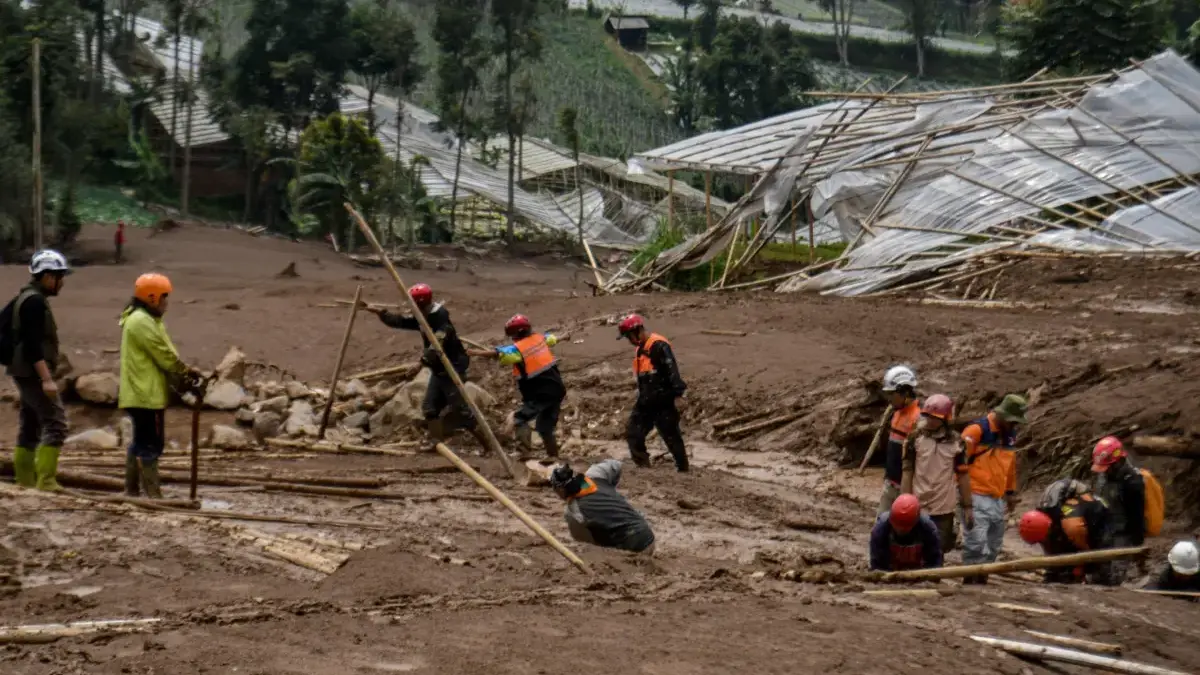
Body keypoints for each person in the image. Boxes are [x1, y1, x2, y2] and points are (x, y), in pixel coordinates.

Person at [363, 284, 486, 449]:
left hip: (452, 369)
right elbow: (401, 321)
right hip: (439, 370)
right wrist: (380, 312)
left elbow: (436, 346)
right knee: (430, 407)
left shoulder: (440, 321)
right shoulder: (423, 317)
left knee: (461, 411)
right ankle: (436, 443)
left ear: (420, 303)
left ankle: (488, 443)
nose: (411, 307)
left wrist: (420, 363)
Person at [119, 273, 199, 499]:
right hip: (145, 394)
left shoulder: (143, 319)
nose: (167, 303)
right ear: (152, 298)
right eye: (164, 297)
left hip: (139, 393)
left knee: (140, 442)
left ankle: (132, 491)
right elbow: (163, 354)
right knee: (151, 445)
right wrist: (185, 372)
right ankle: (153, 496)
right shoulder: (141, 321)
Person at [1, 250, 71, 491]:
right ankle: (46, 481)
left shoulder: (23, 298)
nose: (61, 282)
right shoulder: (35, 302)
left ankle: (25, 480)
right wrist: (47, 379)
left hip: (21, 370)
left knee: (30, 423)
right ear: (47, 277)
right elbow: (33, 345)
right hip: (32, 372)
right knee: (56, 423)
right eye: (60, 277)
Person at [468, 314, 566, 458]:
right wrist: (564, 336)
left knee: (519, 419)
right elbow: (552, 339)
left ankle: (523, 452)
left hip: (541, 393)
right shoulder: (539, 339)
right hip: (557, 390)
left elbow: (498, 354)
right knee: (545, 428)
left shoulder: (518, 349)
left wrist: (475, 352)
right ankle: (553, 456)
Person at [959, 393, 1027, 583]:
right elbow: (959, 464)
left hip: (997, 497)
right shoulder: (976, 431)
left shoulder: (1010, 435)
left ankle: (982, 578)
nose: (1015, 426)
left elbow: (1010, 466)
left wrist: (1011, 493)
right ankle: (971, 580)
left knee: (994, 543)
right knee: (976, 542)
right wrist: (964, 501)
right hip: (975, 494)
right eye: (1012, 421)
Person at [900, 394, 973, 553]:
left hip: (944, 507)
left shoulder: (957, 442)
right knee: (914, 547)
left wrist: (968, 506)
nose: (930, 420)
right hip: (918, 504)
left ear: (945, 418)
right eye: (927, 416)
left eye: (935, 417)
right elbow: (907, 472)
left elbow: (963, 475)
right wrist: (904, 502)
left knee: (938, 549)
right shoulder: (914, 438)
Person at [617, 314, 688, 472]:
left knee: (671, 437)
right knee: (633, 433)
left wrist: (678, 395)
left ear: (637, 331)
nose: (629, 341)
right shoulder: (640, 349)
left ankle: (683, 469)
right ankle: (643, 467)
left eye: (629, 337)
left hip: (664, 400)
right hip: (646, 401)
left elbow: (672, 372)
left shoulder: (659, 346)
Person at [548, 460, 655, 554]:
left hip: (634, 550)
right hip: (648, 536)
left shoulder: (573, 512)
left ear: (561, 489)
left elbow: (586, 544)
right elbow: (615, 464)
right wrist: (611, 493)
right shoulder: (595, 474)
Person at [1019, 489, 1116, 585]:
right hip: (1077, 520)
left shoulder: (1073, 527)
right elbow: (1052, 548)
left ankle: (1105, 576)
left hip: (1101, 516)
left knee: (1099, 556)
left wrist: (1080, 568)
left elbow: (1086, 551)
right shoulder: (1046, 515)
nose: (1042, 543)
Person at [1091, 436, 1146, 581]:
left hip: (1122, 536)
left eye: (1107, 468)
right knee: (1097, 572)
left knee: (1115, 575)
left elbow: (1137, 515)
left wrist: (1137, 544)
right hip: (1103, 530)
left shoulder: (1132, 482)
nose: (1104, 471)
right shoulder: (1104, 475)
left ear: (1118, 461)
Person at [878, 364, 921, 515]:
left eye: (892, 394)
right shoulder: (896, 413)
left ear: (904, 391)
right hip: (890, 483)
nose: (889, 398)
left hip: (907, 488)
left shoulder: (918, 418)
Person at [869, 494, 943, 571]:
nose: (899, 530)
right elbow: (877, 565)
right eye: (897, 527)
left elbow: (935, 562)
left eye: (903, 529)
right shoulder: (881, 529)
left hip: (919, 573)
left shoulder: (928, 529)